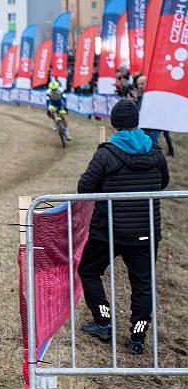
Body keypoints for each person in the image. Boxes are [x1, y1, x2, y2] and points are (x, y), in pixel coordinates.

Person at [77, 99, 170, 355]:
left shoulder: (106, 153)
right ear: (137, 123)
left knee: (88, 270)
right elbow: (163, 181)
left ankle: (103, 320)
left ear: (114, 123)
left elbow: (84, 188)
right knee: (143, 284)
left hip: (109, 230)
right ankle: (137, 337)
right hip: (147, 230)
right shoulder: (154, 150)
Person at [134, 75, 174, 157]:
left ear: (147, 83)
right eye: (138, 84)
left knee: (156, 141)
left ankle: (168, 151)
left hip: (156, 123)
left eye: (142, 84)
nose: (139, 86)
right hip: (148, 124)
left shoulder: (154, 94)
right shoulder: (141, 94)